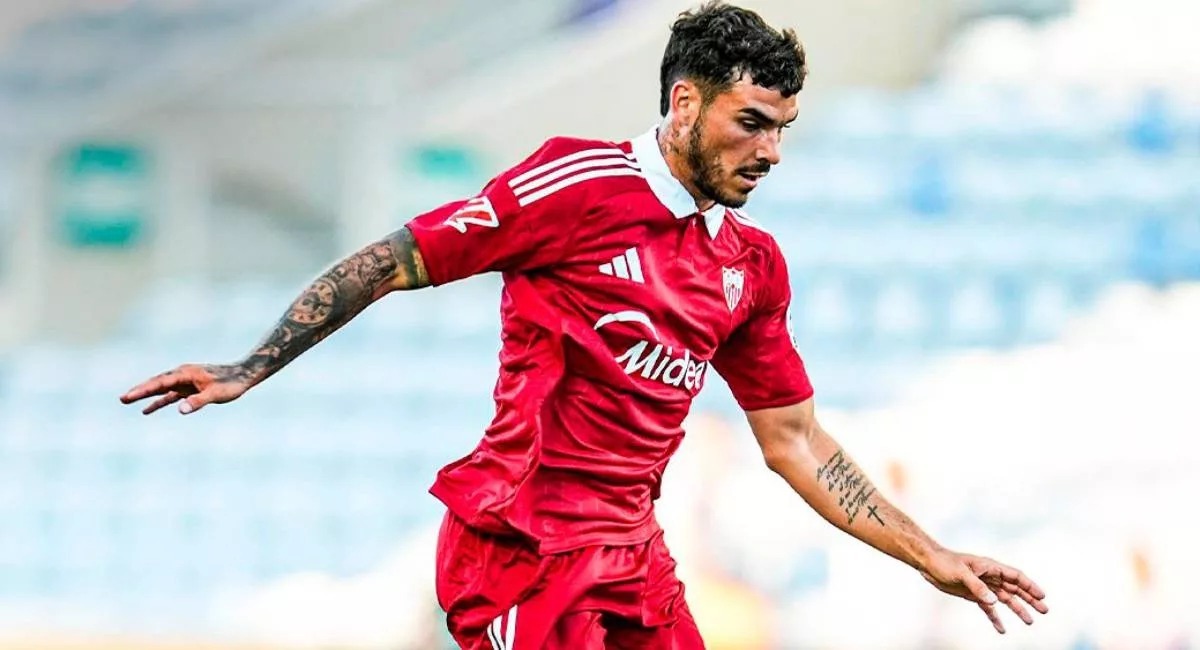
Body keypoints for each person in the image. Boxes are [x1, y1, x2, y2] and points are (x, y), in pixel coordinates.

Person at [120, 2, 1049, 648]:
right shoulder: (571, 187)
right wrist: (251, 365)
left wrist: (931, 556)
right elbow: (391, 260)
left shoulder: (750, 266)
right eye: (751, 122)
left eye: (784, 129)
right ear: (685, 102)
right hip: (520, 550)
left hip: (631, 560)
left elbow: (797, 441)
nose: (769, 150)